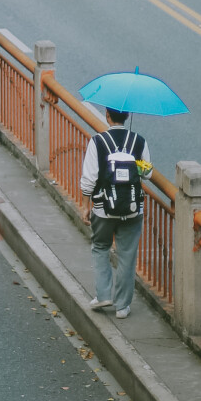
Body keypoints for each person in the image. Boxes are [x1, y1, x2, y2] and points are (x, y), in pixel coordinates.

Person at [79, 108, 152, 318]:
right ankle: (122, 306)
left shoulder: (98, 141)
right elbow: (147, 174)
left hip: (103, 209)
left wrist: (86, 205)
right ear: (128, 116)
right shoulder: (139, 141)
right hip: (132, 209)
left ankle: (103, 295)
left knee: (100, 246)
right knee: (127, 255)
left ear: (107, 116)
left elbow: (89, 179)